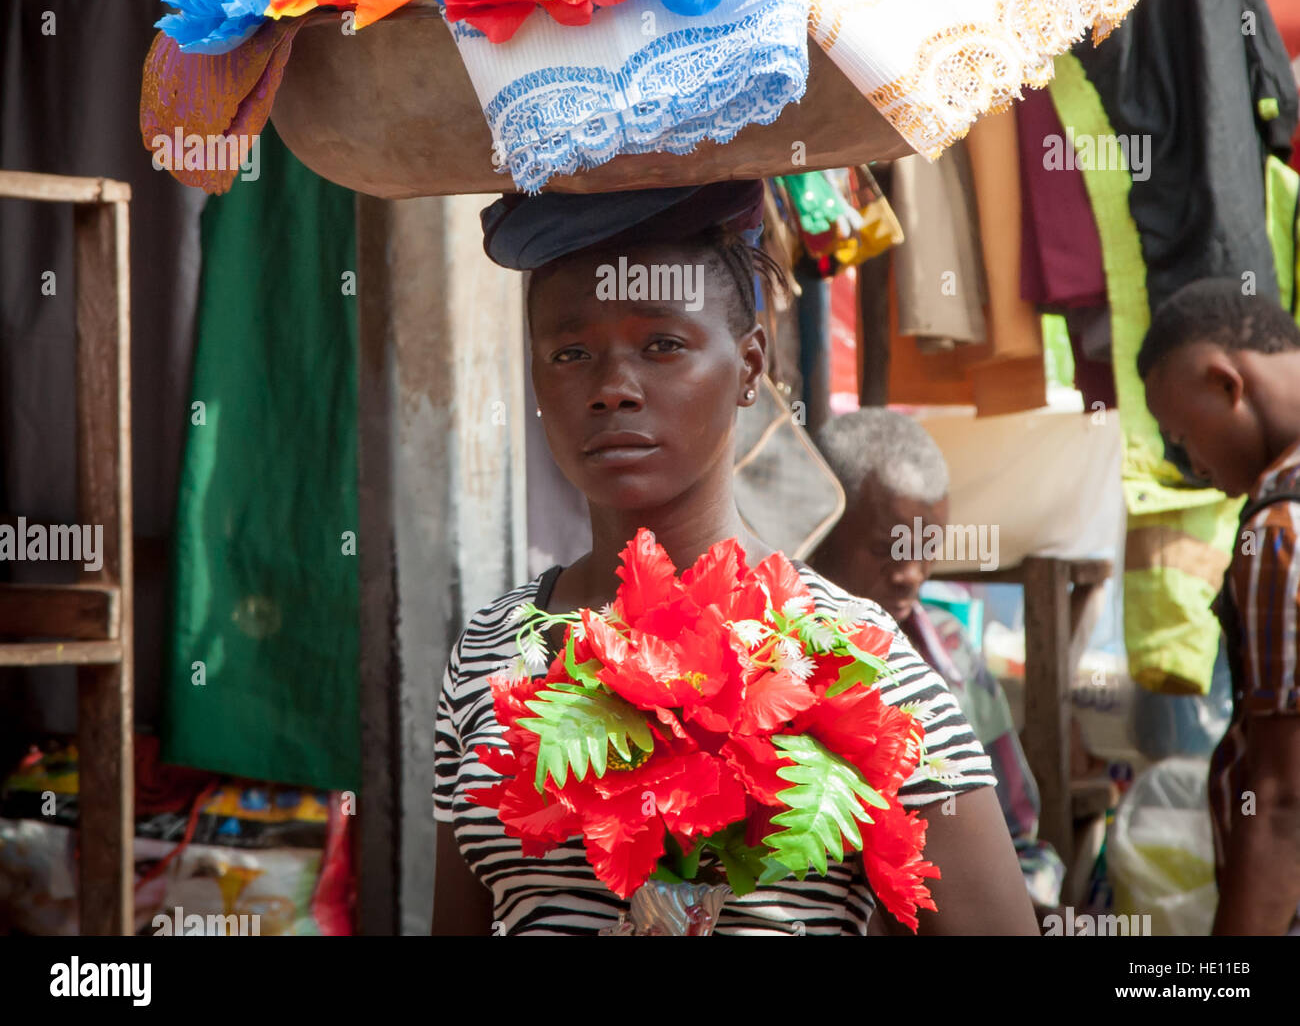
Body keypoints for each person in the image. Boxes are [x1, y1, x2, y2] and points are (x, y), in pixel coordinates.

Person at [431, 180, 1039, 936]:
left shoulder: (858, 662)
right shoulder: (489, 653)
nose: (612, 388)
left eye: (663, 345)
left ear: (751, 366)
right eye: (570, 352)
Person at [812, 407, 1066, 912]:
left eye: (928, 549)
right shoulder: (777, 660)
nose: (911, 574)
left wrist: (1026, 902)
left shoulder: (951, 654)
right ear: (822, 531)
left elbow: (1022, 843)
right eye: (888, 549)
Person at [1138, 276, 1300, 936]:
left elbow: (1287, 798)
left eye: (1181, 434)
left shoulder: (1279, 530)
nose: (1191, 464)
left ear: (1226, 384)